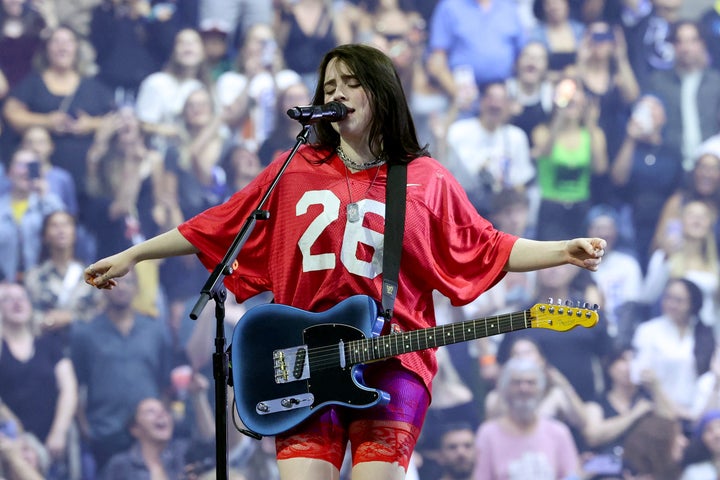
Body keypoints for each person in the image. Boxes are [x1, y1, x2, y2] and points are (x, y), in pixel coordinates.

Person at [84, 43, 606, 480]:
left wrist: (563, 250)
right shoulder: (293, 170)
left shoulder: (424, 179)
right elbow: (220, 223)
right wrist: (133, 254)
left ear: (380, 92)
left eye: (349, 83)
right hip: (301, 359)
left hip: (394, 360)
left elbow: (488, 244)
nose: (335, 93)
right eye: (328, 85)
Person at [71, 266, 173, 471]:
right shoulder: (85, 333)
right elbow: (76, 384)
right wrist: (85, 428)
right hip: (104, 430)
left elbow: (165, 384)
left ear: (137, 288)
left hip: (147, 432)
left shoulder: (155, 330)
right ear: (103, 287)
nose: (122, 287)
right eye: (115, 282)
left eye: (128, 282)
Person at [0, 282, 78, 478]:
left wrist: (58, 432)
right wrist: (15, 434)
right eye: (7, 299)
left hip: (53, 442)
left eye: (21, 297)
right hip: (12, 443)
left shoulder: (49, 342)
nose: (16, 303)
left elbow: (69, 388)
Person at [472, 357, 581, 479]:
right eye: (516, 383)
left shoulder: (559, 432)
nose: (524, 389)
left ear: (541, 389)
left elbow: (572, 476)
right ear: (504, 389)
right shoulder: (488, 433)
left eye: (530, 382)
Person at [101, 391, 215, 480]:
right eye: (150, 412)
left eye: (165, 411)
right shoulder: (120, 465)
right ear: (135, 429)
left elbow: (210, 442)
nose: (161, 414)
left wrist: (198, 396)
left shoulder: (182, 453)